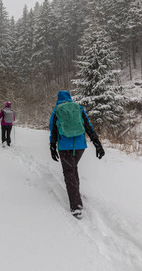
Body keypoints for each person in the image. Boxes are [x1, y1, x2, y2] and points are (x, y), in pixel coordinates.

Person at [49, 90, 105, 219]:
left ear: (58, 98)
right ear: (70, 97)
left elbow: (53, 130)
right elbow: (88, 126)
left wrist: (52, 146)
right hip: (80, 146)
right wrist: (97, 143)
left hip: (64, 146)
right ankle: (76, 194)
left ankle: (76, 207)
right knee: (73, 169)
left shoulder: (56, 110)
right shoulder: (78, 108)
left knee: (69, 172)